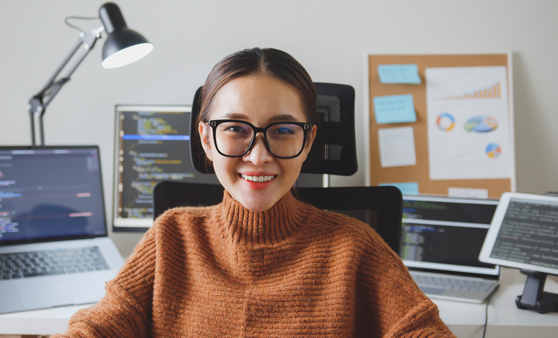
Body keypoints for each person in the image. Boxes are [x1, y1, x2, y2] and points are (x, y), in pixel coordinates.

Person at [53, 47, 455, 337]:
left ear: (309, 140)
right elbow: (105, 322)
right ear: (207, 141)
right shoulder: (171, 236)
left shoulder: (354, 248)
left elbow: (420, 330)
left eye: (282, 130)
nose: (258, 156)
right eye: (235, 129)